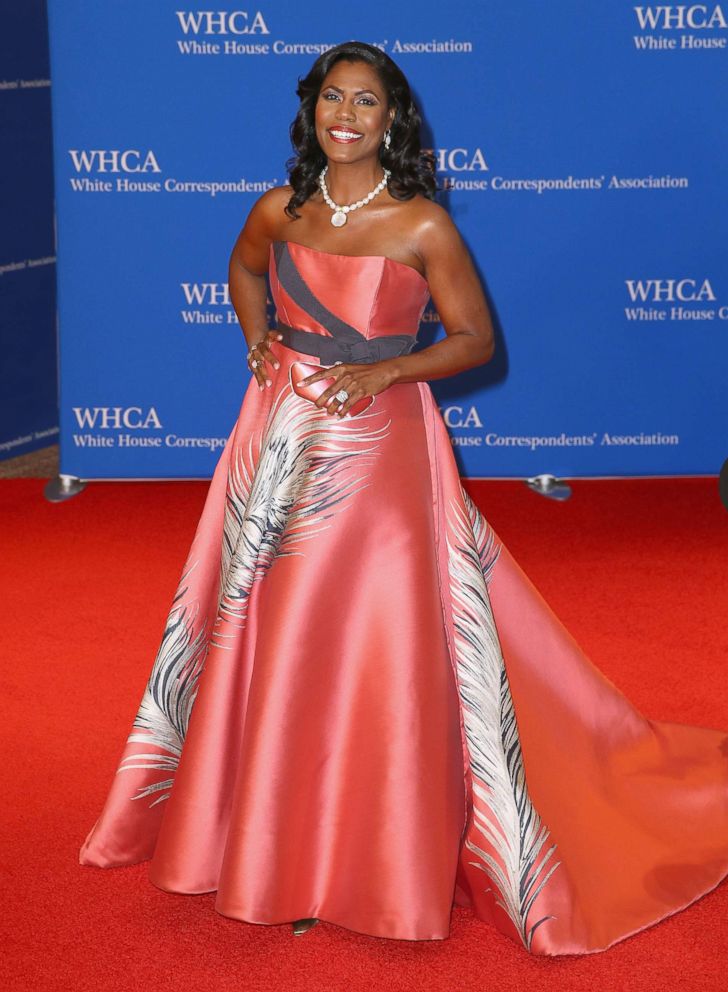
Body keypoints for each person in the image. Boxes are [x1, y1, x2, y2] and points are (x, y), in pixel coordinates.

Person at [79, 42, 728, 956]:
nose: (347, 115)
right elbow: (245, 269)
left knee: (344, 635)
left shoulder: (422, 225)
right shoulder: (280, 207)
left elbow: (474, 341)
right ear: (312, 111)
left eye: (368, 102)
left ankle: (343, 850)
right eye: (333, 99)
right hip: (273, 439)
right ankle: (254, 831)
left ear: (394, 119)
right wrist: (258, 341)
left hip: (378, 455)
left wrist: (390, 370)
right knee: (260, 623)